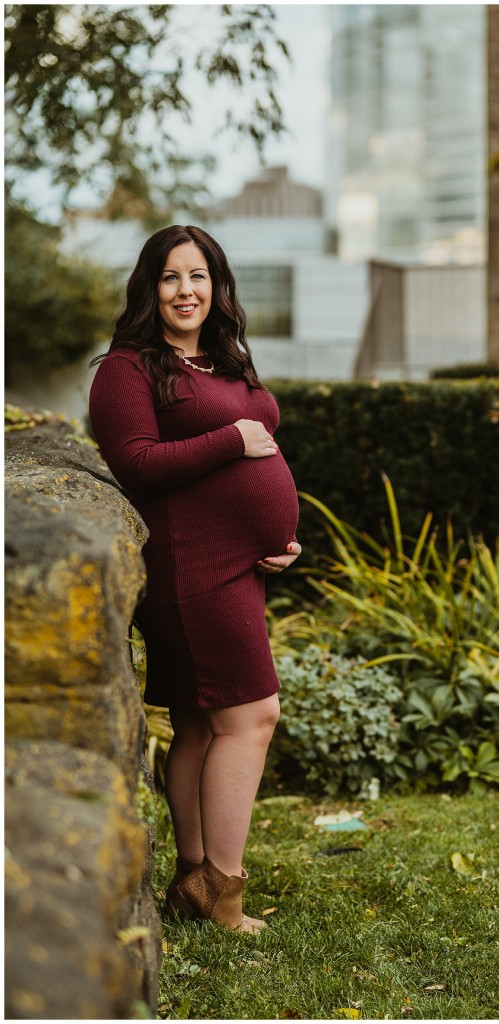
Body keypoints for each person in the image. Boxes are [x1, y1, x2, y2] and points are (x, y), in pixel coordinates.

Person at [89, 224, 301, 934]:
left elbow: (259, 454)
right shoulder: (127, 370)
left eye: (199, 276)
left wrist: (276, 536)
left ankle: (192, 878)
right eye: (171, 277)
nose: (186, 291)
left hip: (235, 563)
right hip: (189, 569)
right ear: (149, 288)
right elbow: (137, 463)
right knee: (253, 716)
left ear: (218, 286)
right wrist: (233, 438)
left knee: (200, 724)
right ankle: (224, 893)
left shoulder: (225, 357)